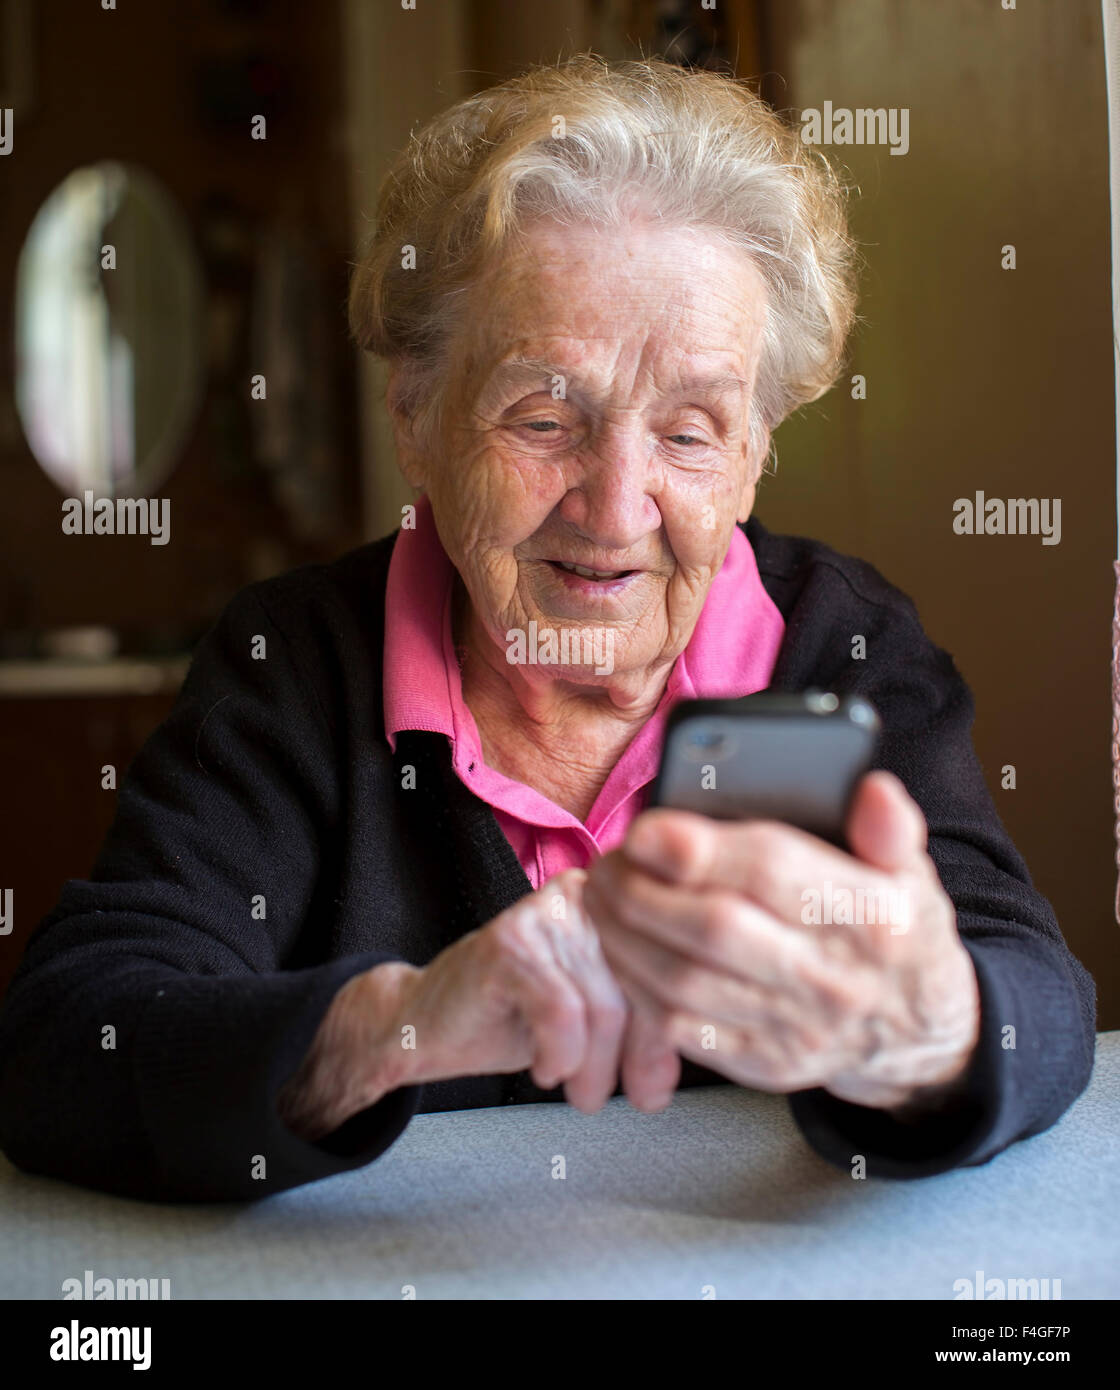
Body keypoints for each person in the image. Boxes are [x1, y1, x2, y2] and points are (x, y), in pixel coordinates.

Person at [0, 55, 1095, 1202]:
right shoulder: (298, 662)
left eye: (690, 433)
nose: (615, 509)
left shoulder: (843, 646)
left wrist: (931, 1024)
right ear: (415, 417)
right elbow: (72, 1040)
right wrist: (398, 1024)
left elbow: (1030, 992)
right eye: (543, 417)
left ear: (758, 449)